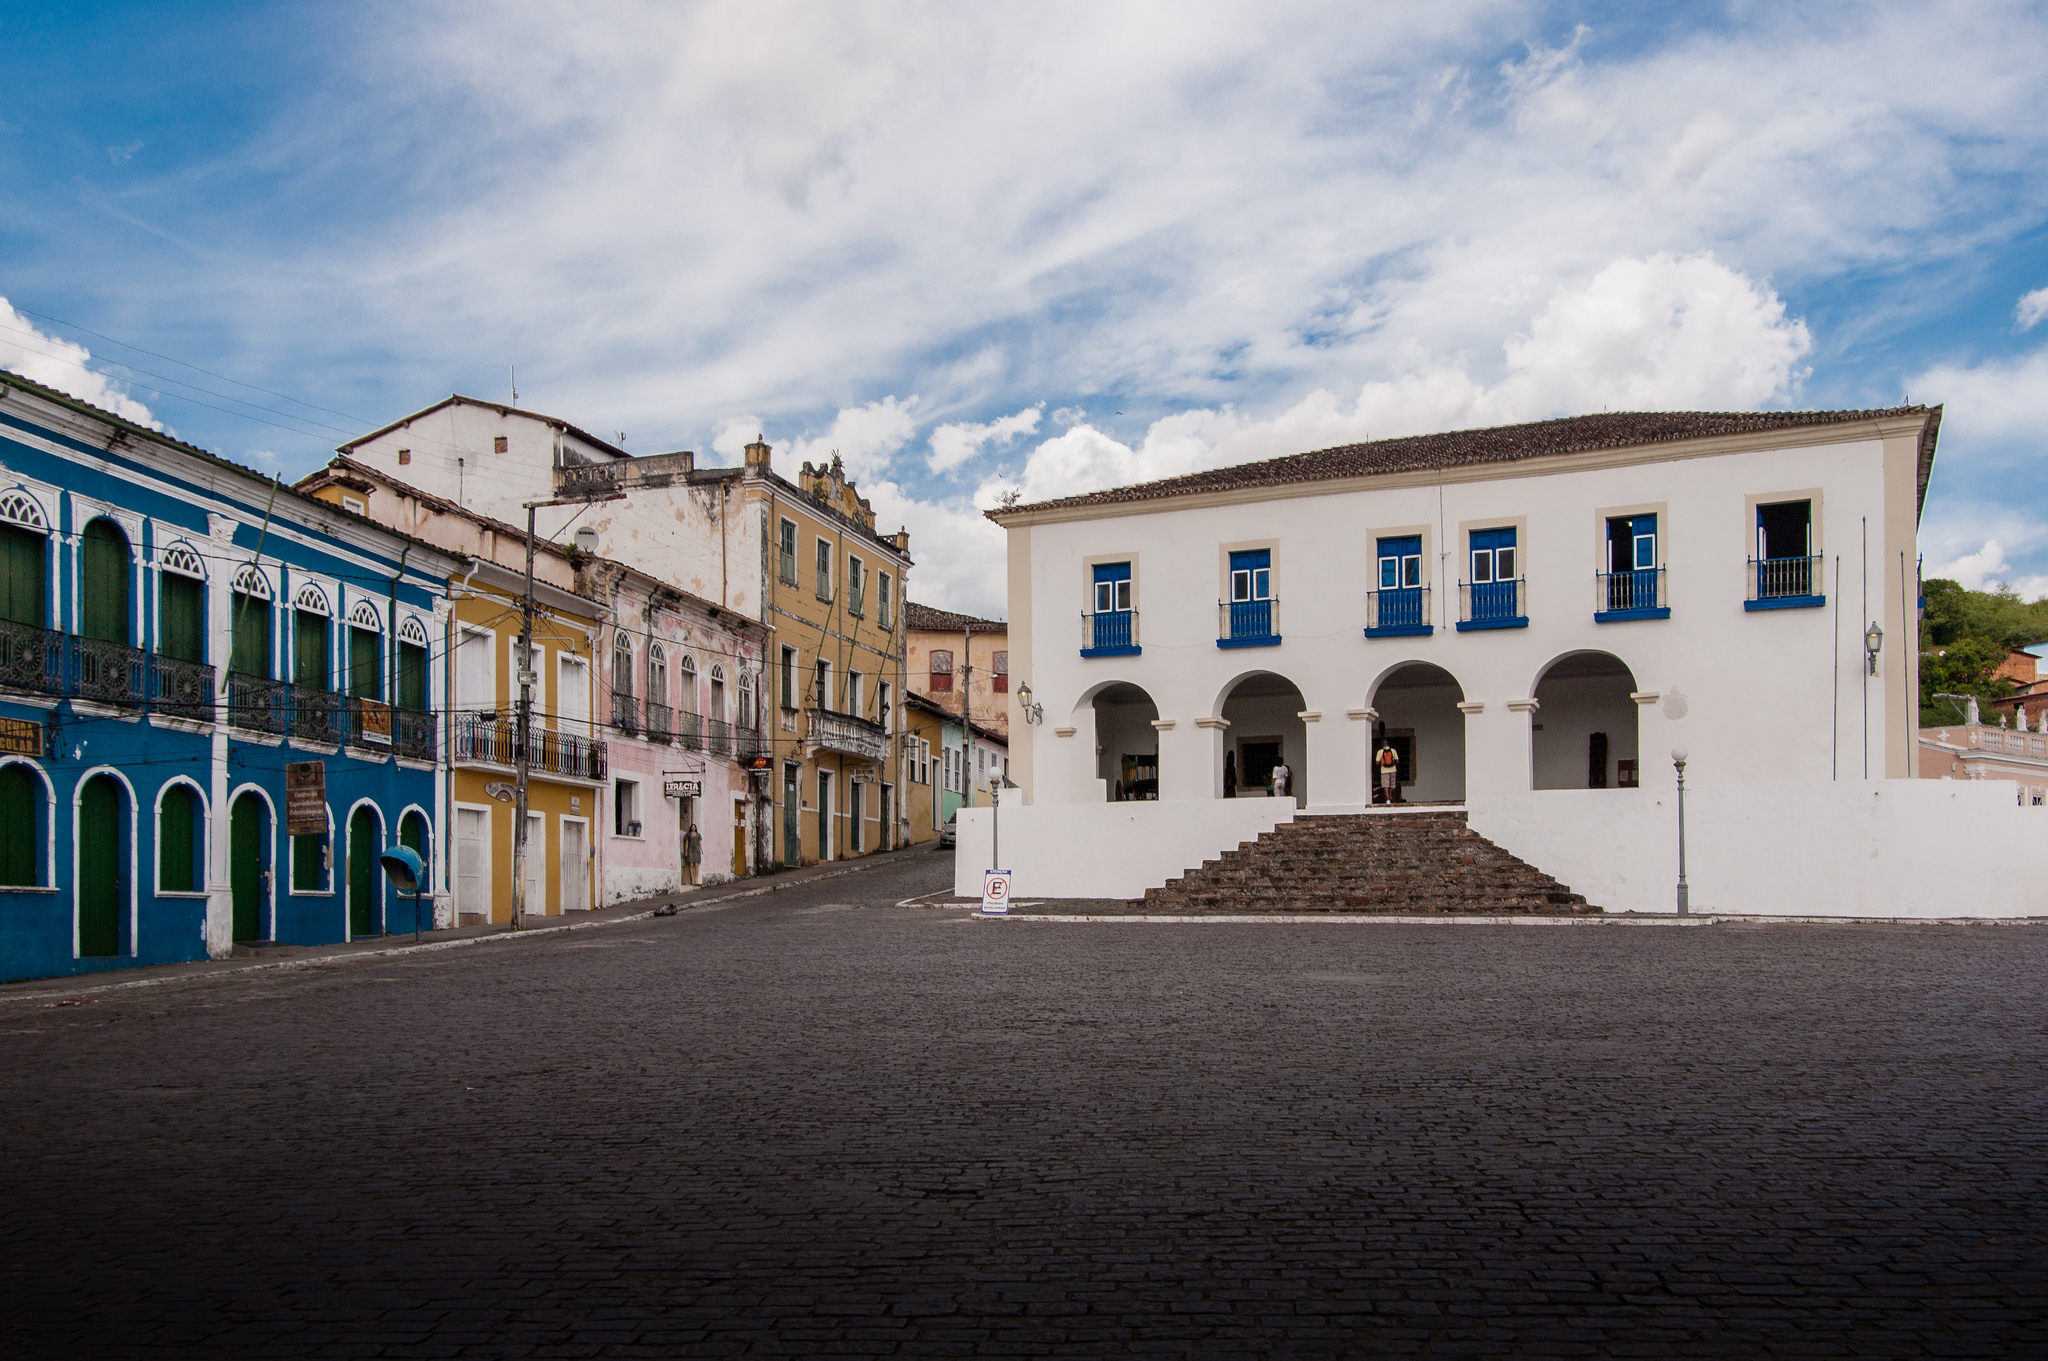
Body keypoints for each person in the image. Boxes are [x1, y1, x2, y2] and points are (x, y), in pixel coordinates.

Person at [682, 822, 703, 886]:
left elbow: (699, 842)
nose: (693, 828)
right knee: (691, 864)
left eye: (694, 827)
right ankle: (692, 879)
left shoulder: (698, 835)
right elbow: (687, 843)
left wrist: (701, 849)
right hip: (690, 850)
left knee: (696, 864)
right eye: (692, 827)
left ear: (695, 828)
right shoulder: (688, 835)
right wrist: (685, 851)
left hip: (696, 849)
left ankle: (696, 878)